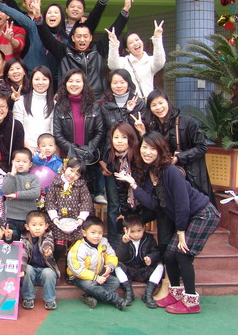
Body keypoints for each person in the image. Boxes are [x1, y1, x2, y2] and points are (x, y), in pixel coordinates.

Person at [114, 131, 221, 314]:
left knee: (182, 254)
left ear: (160, 150)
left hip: (204, 214)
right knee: (169, 254)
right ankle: (175, 293)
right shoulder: (150, 172)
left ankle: (191, 301)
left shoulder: (170, 171)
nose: (147, 152)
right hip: (189, 217)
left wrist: (181, 232)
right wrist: (133, 184)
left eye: (152, 149)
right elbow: (153, 204)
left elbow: (182, 203)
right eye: (144, 148)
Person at [36, 0, 132, 98]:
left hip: (96, 100)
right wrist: (39, 18)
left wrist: (125, 10)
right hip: (69, 100)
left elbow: (114, 31)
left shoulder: (99, 49)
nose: (82, 39)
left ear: (91, 38)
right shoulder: (64, 51)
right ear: (73, 38)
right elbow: (47, 38)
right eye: (78, 36)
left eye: (85, 36)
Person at [140, 89, 214, 200]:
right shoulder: (153, 127)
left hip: (190, 176)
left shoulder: (186, 122)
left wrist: (179, 157)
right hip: (166, 176)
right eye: (154, 105)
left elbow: (202, 147)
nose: (158, 107)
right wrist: (142, 133)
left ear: (168, 102)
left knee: (191, 204)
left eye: (161, 103)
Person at [99, 70, 145, 243]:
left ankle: (134, 240)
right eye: (115, 82)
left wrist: (128, 111)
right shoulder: (105, 106)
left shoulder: (139, 104)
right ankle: (114, 242)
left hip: (133, 161)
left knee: (133, 203)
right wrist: (102, 160)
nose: (118, 85)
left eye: (122, 82)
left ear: (128, 83)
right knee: (113, 205)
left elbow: (135, 132)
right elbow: (103, 133)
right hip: (112, 160)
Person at [52, 69, 105, 203]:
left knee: (86, 201)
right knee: (66, 200)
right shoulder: (59, 106)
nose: (74, 84)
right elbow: (57, 134)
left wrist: (87, 150)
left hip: (89, 160)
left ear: (84, 84)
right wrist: (74, 152)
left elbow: (100, 131)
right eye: (70, 81)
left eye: (78, 81)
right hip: (68, 160)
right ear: (65, 84)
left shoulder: (94, 106)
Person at [67, 216, 127, 310]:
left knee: (115, 282)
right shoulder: (79, 248)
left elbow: (111, 255)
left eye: (100, 233)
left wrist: (110, 266)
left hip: (97, 273)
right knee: (89, 285)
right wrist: (96, 278)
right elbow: (78, 270)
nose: (97, 236)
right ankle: (115, 299)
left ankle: (89, 297)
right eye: (93, 232)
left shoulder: (104, 242)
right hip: (78, 276)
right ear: (84, 233)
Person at [44, 158, 92, 263]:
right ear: (65, 167)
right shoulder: (56, 183)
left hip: (75, 222)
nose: (72, 175)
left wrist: (81, 218)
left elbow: (86, 202)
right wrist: (54, 217)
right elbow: (50, 201)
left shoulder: (81, 186)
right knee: (59, 247)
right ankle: (52, 265)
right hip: (58, 222)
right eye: (71, 170)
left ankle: (70, 269)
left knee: (74, 249)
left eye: (77, 174)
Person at [114, 214, 163, 308]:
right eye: (132, 231)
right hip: (128, 270)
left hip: (143, 270)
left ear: (144, 228)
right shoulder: (121, 238)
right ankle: (129, 293)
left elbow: (156, 252)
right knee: (117, 265)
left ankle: (148, 294)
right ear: (125, 230)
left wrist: (151, 258)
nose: (136, 234)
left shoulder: (149, 238)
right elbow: (120, 257)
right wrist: (124, 243)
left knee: (160, 266)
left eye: (139, 231)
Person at [107, 20, 166, 98]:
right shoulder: (124, 62)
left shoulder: (150, 60)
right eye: (131, 43)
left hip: (147, 102)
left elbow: (160, 63)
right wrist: (113, 44)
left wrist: (157, 38)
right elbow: (113, 65)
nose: (135, 43)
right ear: (127, 49)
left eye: (137, 40)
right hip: (130, 102)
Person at [20, 210, 59, 311]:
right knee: (27, 269)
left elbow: (48, 243)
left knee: (48, 272)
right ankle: (28, 298)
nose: (37, 228)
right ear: (27, 227)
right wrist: (22, 269)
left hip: (45, 271)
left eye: (41, 225)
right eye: (34, 225)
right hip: (31, 272)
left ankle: (50, 299)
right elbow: (23, 254)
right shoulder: (24, 239)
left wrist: (47, 250)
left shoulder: (48, 235)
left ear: (46, 226)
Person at [1, 148, 41, 240]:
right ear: (13, 162)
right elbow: (5, 191)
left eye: (24, 162)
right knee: (12, 241)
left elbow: (35, 192)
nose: (21, 164)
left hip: (29, 218)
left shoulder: (33, 178)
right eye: (18, 161)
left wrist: (16, 195)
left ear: (30, 164)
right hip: (12, 218)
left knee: (28, 243)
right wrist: (12, 174)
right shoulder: (9, 177)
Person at [13, 66, 55, 153]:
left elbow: (53, 131)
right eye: (37, 79)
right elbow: (18, 129)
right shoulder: (20, 102)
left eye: (44, 79)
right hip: (25, 152)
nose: (40, 82)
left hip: (47, 152)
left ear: (50, 81)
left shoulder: (54, 104)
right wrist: (29, 150)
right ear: (31, 81)